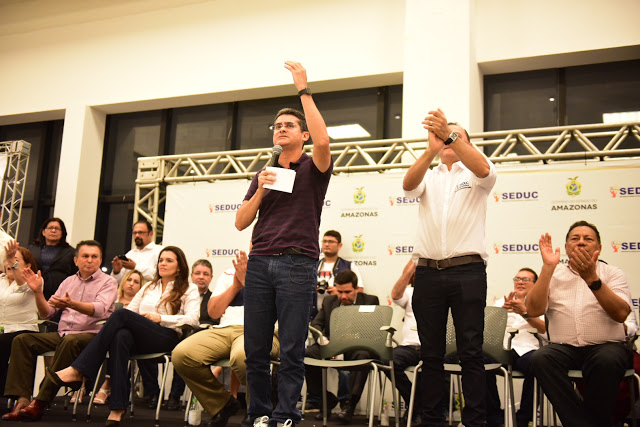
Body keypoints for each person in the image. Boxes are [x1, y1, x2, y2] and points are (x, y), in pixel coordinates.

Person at [235, 60, 332, 427]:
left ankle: (286, 414)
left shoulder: (313, 167)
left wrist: (303, 89)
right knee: (255, 350)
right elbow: (241, 221)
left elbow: (324, 141)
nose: (281, 129)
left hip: (297, 264)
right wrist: (261, 186)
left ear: (303, 135)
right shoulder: (264, 172)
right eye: (277, 126)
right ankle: (258, 413)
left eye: (289, 125)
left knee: (292, 349)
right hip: (260, 263)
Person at [402, 109, 496, 427]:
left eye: (453, 135)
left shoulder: (477, 173)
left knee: (470, 351)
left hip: (468, 271)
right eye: (441, 135)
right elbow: (407, 186)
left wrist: (450, 134)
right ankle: (432, 419)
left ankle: (475, 421)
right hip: (428, 273)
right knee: (430, 353)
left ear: (466, 142)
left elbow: (484, 168)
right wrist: (430, 150)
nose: (446, 139)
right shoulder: (429, 176)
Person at [53, 246, 200, 425]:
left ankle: (80, 369)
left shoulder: (189, 288)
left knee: (121, 314)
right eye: (161, 260)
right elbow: (131, 311)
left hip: (168, 336)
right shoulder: (149, 286)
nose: (163, 263)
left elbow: (193, 319)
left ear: (179, 267)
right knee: (120, 336)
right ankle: (117, 407)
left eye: (169, 261)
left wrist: (161, 318)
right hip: (142, 336)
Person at [527, 221, 633, 427]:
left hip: (607, 347)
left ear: (599, 247)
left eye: (588, 239)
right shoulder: (553, 274)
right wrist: (547, 268)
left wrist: (592, 279)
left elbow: (621, 314)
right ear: (566, 247)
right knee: (541, 358)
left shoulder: (613, 273)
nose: (581, 243)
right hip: (565, 349)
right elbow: (533, 310)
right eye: (575, 239)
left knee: (607, 360)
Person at [2, 240, 117, 421]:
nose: (90, 260)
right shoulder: (68, 281)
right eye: (85, 256)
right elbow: (47, 312)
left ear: (100, 260)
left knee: (70, 341)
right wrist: (38, 292)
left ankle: (40, 401)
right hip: (64, 334)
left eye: (94, 256)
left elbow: (100, 309)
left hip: (92, 336)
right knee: (22, 339)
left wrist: (72, 304)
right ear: (76, 260)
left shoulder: (108, 282)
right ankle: (22, 400)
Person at [173, 251, 281, 427]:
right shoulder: (229, 273)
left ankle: (258, 412)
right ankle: (222, 404)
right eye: (256, 240)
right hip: (224, 329)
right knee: (182, 354)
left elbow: (273, 312)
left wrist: (247, 282)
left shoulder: (278, 272)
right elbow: (214, 312)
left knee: (244, 356)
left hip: (262, 330)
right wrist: (236, 286)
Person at [305, 270, 379, 423]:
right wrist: (323, 340)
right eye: (340, 292)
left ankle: (349, 406)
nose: (343, 296)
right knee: (307, 355)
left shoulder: (370, 301)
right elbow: (316, 324)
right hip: (332, 345)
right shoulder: (329, 302)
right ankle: (326, 400)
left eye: (348, 292)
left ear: (356, 289)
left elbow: (373, 328)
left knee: (363, 355)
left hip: (357, 346)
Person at [485, 268, 545, 427]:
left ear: (536, 284)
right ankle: (494, 418)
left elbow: (546, 330)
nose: (520, 282)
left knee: (541, 363)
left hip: (528, 351)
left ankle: (523, 419)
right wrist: (500, 314)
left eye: (526, 279)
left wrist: (525, 313)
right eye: (518, 279)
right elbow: (487, 332)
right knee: (478, 360)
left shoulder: (542, 303)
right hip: (503, 351)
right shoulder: (501, 303)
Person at [166, 259, 219, 411]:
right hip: (177, 336)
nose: (201, 277)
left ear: (211, 277)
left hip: (203, 340)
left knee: (185, 348)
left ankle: (175, 396)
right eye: (197, 273)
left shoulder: (215, 299)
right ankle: (157, 395)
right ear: (191, 276)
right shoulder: (179, 296)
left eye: (205, 274)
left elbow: (215, 321)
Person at [91, 269, 145, 406]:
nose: (131, 284)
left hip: (130, 340)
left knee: (119, 339)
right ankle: (84, 385)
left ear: (141, 286)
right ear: (123, 282)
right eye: (129, 280)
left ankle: (107, 383)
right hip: (103, 335)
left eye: (136, 282)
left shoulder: (143, 304)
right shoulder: (112, 299)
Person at [386, 259, 424, 424]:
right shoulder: (410, 292)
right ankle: (415, 402)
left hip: (434, 346)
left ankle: (419, 409)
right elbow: (395, 295)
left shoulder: (443, 293)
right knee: (388, 360)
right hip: (409, 346)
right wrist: (412, 265)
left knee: (433, 366)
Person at [0, 241, 40, 396]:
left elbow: (22, 285)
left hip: (24, 331)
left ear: (27, 265)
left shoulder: (34, 280)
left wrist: (12, 261)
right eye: (8, 259)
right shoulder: (1, 280)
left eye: (15, 259)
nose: (9, 263)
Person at [27, 217, 77, 301]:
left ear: (62, 233)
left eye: (57, 228)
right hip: (33, 292)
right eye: (50, 228)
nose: (53, 231)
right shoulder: (31, 249)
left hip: (60, 294)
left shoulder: (71, 252)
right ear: (43, 232)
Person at [111, 219, 162, 284]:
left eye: (141, 232)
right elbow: (119, 282)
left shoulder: (159, 251)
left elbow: (160, 275)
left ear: (151, 234)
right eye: (135, 233)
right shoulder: (130, 254)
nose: (137, 235)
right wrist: (116, 272)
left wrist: (135, 267)